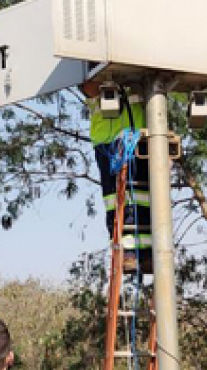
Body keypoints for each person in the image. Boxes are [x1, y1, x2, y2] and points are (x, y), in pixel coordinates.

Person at [80, 80, 152, 274]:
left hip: (138, 137)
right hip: (107, 141)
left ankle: (146, 254)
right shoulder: (91, 63)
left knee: (144, 197)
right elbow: (88, 87)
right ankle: (126, 252)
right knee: (115, 200)